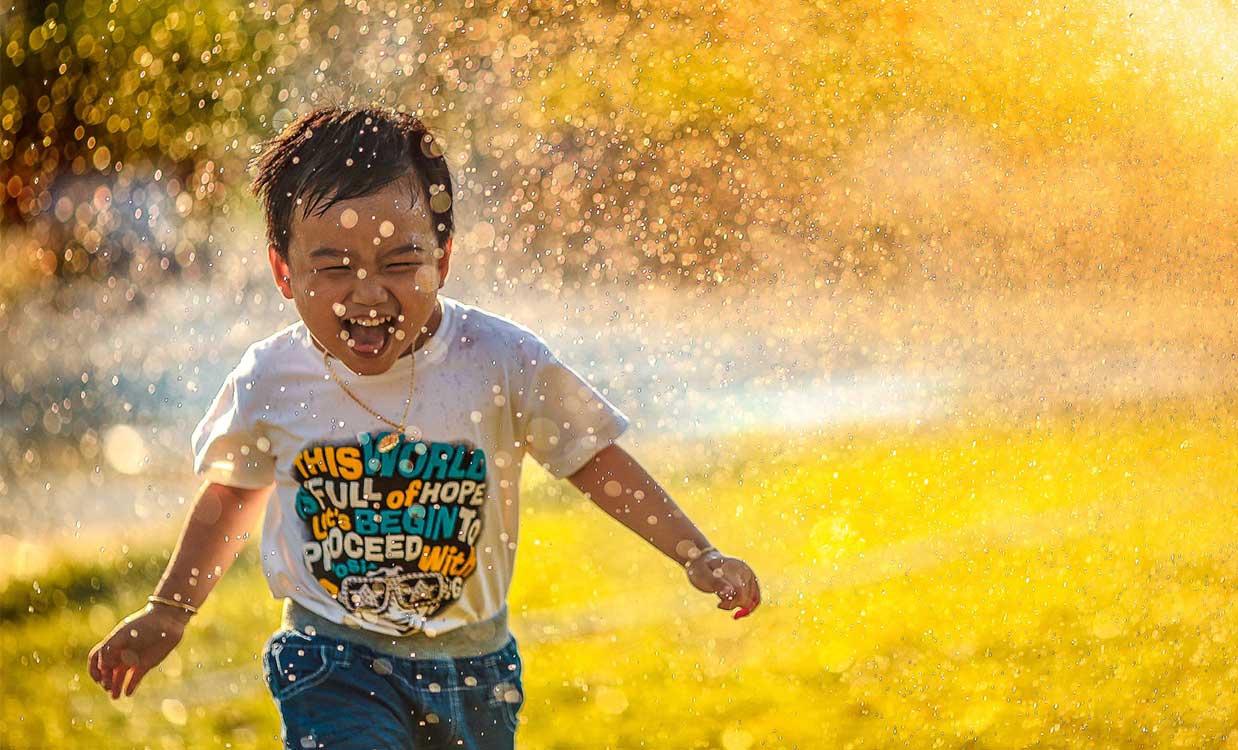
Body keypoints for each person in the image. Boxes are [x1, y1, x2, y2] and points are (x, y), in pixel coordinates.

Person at [85, 105, 762, 749]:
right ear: (283, 271)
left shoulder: (500, 360)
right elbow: (233, 493)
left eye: (399, 264)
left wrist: (695, 553)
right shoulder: (274, 378)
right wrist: (170, 609)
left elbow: (593, 458)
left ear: (443, 258)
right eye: (333, 268)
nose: (368, 293)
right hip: (331, 656)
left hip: (475, 669)